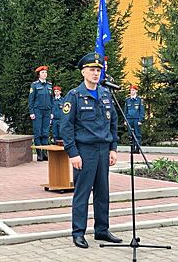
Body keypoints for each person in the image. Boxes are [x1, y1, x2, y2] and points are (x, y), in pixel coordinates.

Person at [60, 52, 121, 249]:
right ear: (83, 72)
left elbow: (113, 122)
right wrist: (73, 153)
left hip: (104, 150)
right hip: (84, 151)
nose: (96, 73)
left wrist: (113, 148)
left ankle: (102, 230)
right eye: (92, 70)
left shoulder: (105, 94)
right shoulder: (74, 96)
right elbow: (66, 127)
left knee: (103, 192)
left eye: (98, 70)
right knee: (82, 193)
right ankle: (78, 232)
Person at [29, 65, 53, 161]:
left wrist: (51, 111)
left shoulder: (49, 85)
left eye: (46, 72)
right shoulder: (34, 85)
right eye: (43, 72)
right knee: (38, 132)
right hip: (37, 111)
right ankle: (39, 154)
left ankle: (45, 152)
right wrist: (31, 112)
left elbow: (51, 100)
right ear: (39, 74)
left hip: (47, 111)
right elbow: (31, 100)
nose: (45, 74)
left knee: (45, 132)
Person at [124, 85, 145, 151]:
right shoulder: (127, 100)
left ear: (136, 91)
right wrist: (125, 120)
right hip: (129, 119)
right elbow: (125, 110)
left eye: (133, 90)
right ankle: (132, 149)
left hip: (136, 119)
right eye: (131, 90)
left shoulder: (139, 100)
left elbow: (142, 111)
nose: (132, 92)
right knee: (130, 135)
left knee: (137, 134)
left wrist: (140, 120)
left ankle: (137, 149)